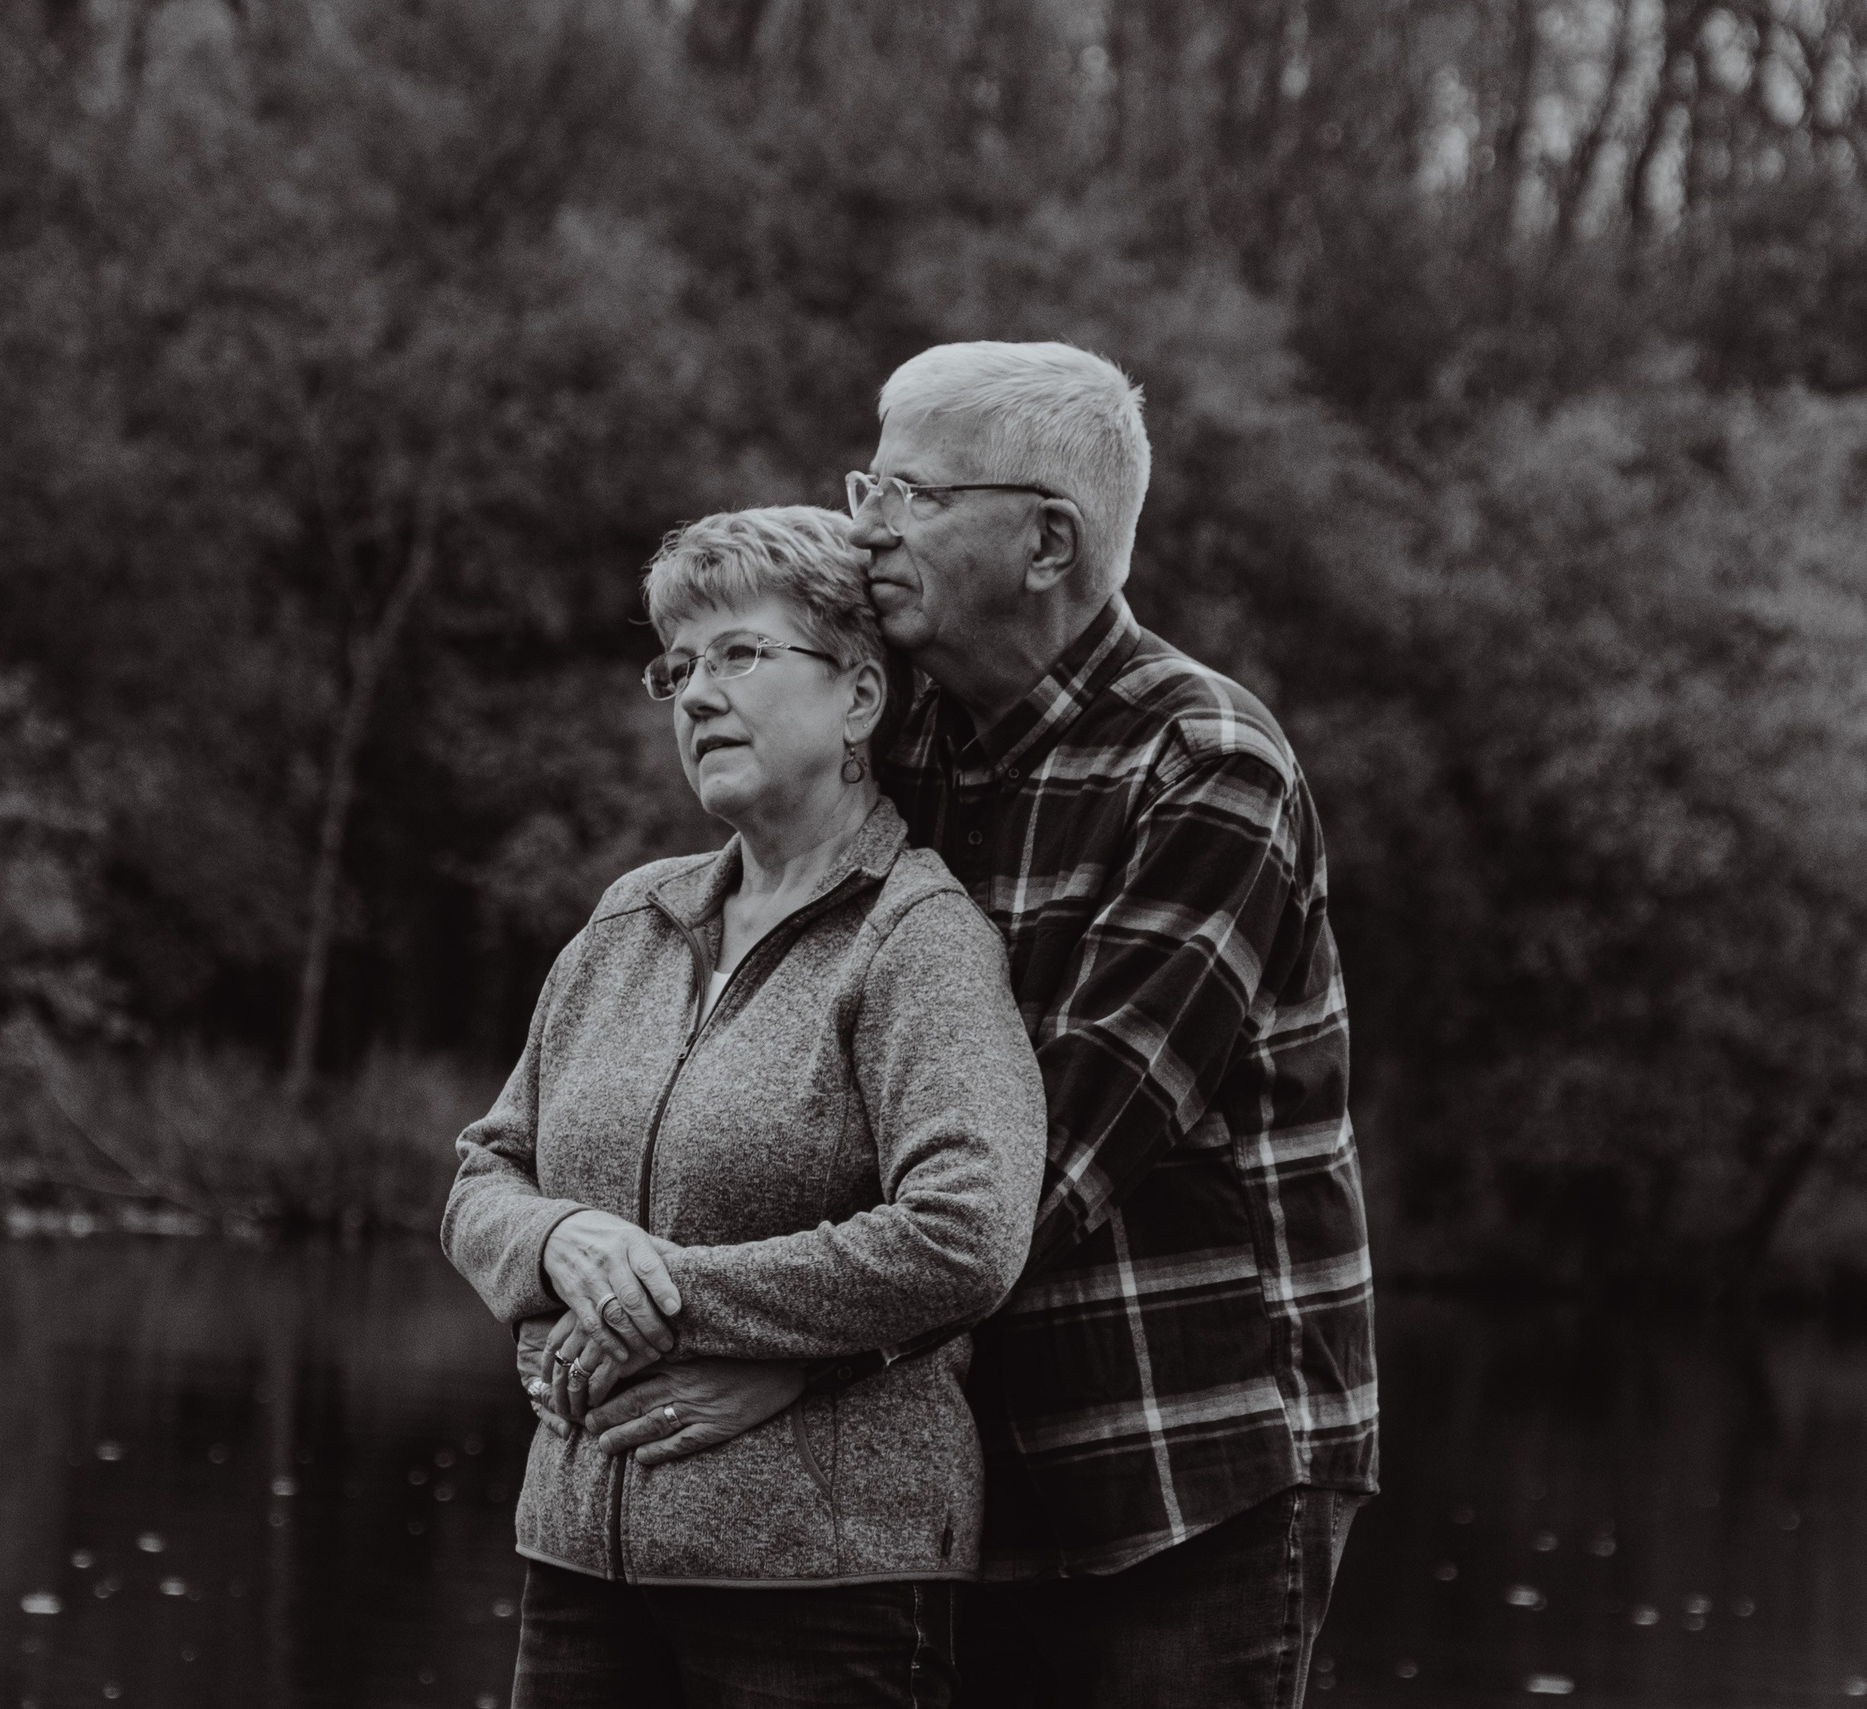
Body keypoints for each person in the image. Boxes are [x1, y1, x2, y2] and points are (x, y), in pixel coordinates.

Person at [576, 344, 1377, 1708]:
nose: (866, 521)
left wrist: (782, 1344)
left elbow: (1048, 1156)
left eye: (909, 492)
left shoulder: (1206, 769)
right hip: (943, 1453)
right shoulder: (896, 734)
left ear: (1045, 539)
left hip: (1181, 1456)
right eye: (864, 480)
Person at [441, 505, 1048, 1708]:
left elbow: (968, 1231)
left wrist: (665, 1299)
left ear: (859, 698)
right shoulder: (629, 919)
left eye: (738, 655)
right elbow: (483, 1173)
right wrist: (562, 1241)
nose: (694, 694)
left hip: (820, 1593)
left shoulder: (916, 939)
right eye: (678, 665)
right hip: (573, 1558)